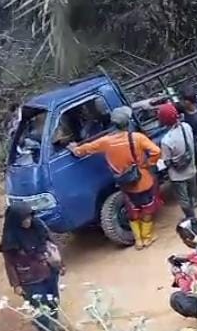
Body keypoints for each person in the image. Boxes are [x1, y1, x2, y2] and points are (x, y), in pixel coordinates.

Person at [68, 107, 162, 249]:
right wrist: (148, 163)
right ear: (128, 123)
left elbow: (85, 149)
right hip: (143, 180)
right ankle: (147, 238)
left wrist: (75, 148)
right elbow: (156, 151)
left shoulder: (106, 141)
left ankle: (138, 241)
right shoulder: (137, 138)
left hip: (124, 183)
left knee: (132, 211)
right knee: (147, 209)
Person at [0, 203, 65, 331]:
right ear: (16, 220)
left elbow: (52, 244)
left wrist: (60, 264)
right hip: (29, 279)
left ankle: (54, 323)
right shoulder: (10, 239)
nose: (28, 221)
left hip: (48, 271)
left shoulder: (38, 225)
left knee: (53, 301)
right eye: (24, 219)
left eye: (29, 217)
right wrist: (16, 285)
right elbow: (9, 264)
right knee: (40, 309)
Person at [158, 103, 197, 219]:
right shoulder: (186, 127)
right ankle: (193, 214)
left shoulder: (166, 141)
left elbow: (166, 162)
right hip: (191, 170)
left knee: (183, 200)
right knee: (191, 196)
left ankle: (191, 218)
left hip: (178, 177)